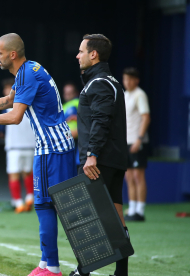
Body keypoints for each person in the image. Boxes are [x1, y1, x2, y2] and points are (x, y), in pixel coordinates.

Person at [0, 33, 76, 276]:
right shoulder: (30, 70)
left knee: (56, 206)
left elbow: (14, 116)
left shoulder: (26, 74)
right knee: (44, 205)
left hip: (53, 149)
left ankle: (61, 266)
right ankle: (48, 264)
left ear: (12, 54)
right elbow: (9, 100)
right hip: (49, 148)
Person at [71, 34, 130, 276]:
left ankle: (82, 271)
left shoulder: (99, 84)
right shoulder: (110, 81)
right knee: (116, 217)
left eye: (81, 51)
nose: (77, 55)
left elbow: (101, 120)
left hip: (100, 160)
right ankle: (121, 272)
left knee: (86, 215)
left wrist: (91, 154)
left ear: (93, 54)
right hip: (114, 159)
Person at [0, 78, 35, 213]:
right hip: (30, 146)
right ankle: (30, 197)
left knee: (13, 175)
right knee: (28, 173)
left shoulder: (7, 108)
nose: (5, 91)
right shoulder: (30, 105)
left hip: (14, 147)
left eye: (7, 88)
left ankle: (18, 202)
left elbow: (1, 131)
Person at [122, 67, 151, 222]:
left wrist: (139, 139)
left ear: (136, 80)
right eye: (125, 79)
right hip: (126, 141)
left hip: (137, 141)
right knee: (128, 176)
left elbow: (146, 117)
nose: (127, 82)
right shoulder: (125, 95)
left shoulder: (140, 95)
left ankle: (140, 210)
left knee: (138, 176)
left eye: (130, 79)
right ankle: (132, 209)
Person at [62, 82, 80, 165]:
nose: (68, 95)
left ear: (75, 92)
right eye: (66, 93)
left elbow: (87, 117)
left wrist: (75, 118)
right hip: (67, 138)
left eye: (70, 92)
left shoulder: (78, 102)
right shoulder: (63, 106)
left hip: (79, 136)